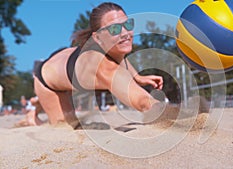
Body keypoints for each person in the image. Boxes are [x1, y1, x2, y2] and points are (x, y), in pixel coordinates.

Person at [32, 2, 164, 129]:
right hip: (47, 81)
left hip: (64, 61)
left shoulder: (111, 47)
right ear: (97, 37)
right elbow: (142, 101)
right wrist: (161, 110)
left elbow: (118, 58)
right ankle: (32, 116)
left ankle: (36, 103)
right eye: (115, 29)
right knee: (67, 127)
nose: (125, 33)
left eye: (128, 24)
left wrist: (137, 77)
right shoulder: (102, 67)